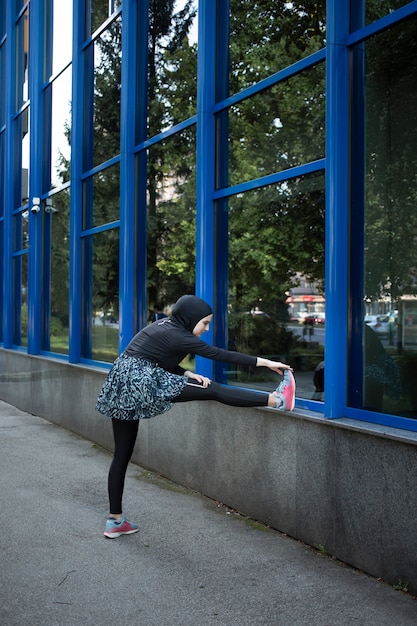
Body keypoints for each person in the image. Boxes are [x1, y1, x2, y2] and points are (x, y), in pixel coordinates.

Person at [96, 294, 296, 539]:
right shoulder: (180, 335)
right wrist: (266, 362)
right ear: (190, 319)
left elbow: (153, 354)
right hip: (141, 381)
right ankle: (278, 400)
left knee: (121, 454)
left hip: (121, 383)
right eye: (204, 323)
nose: (206, 328)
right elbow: (221, 355)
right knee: (212, 390)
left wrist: (187, 374)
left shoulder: (163, 325)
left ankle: (115, 521)